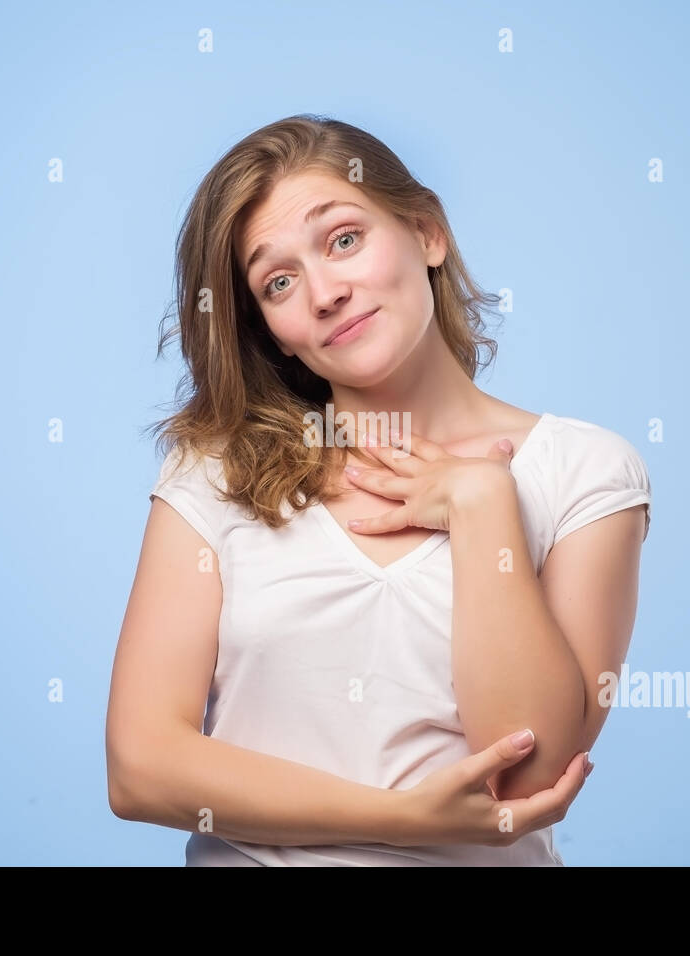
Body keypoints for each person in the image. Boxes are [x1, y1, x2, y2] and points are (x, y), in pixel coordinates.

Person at [105, 114, 652, 865]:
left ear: (428, 233)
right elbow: (140, 769)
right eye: (280, 281)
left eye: (344, 239)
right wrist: (401, 817)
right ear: (270, 329)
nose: (325, 292)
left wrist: (483, 505)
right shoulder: (216, 474)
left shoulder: (582, 471)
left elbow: (527, 773)